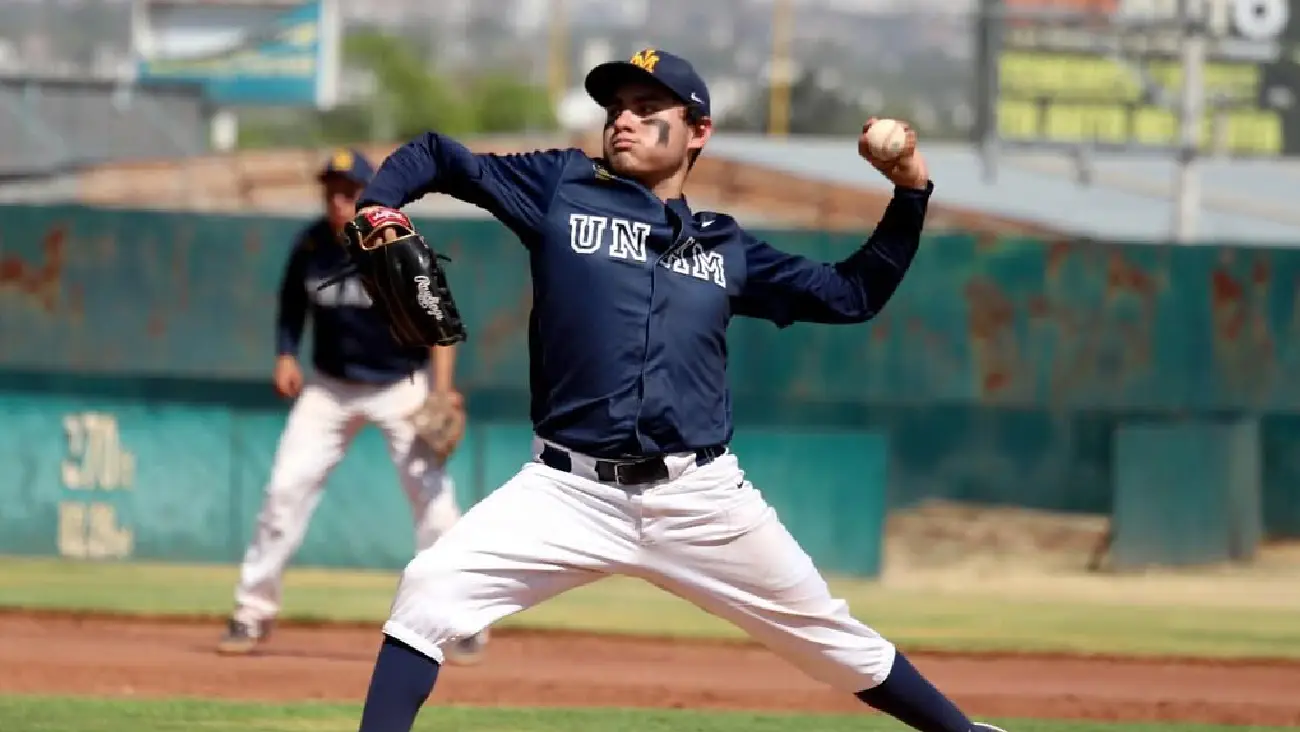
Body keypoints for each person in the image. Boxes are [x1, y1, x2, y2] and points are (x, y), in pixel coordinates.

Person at [348, 49, 1004, 732]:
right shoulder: (562, 187)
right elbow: (440, 155)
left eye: (645, 108)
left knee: (833, 640)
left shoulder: (726, 247)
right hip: (568, 491)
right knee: (428, 592)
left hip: (700, 498)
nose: (622, 120)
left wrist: (910, 192)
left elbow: (851, 294)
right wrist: (377, 205)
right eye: (615, 108)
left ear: (699, 131)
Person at [216, 148, 488, 665]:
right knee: (283, 492)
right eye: (331, 190)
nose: (338, 200)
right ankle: (251, 612)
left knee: (434, 503)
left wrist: (441, 390)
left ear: (369, 194)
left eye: (348, 191)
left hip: (401, 385)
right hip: (330, 388)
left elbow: (441, 326)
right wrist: (285, 354)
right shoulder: (312, 245)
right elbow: (291, 304)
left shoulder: (399, 245)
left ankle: (462, 619)